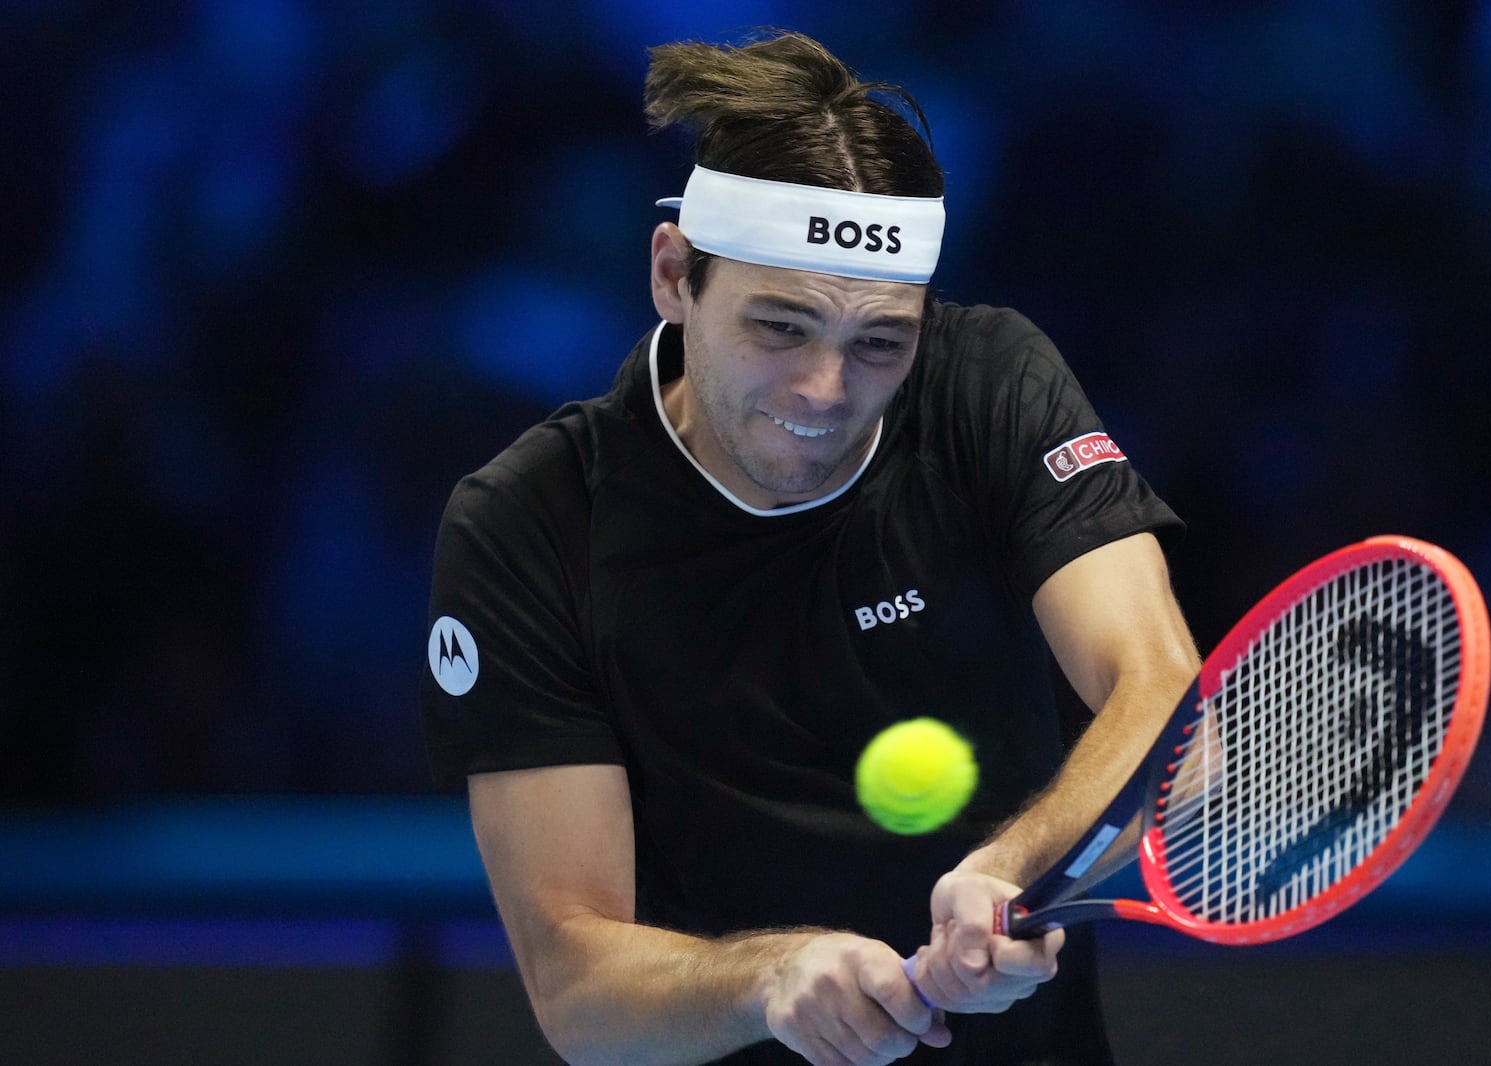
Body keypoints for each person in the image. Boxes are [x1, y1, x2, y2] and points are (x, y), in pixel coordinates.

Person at [421, 30, 1199, 1066]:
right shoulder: (530, 523)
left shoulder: (988, 383)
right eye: (779, 327)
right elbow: (576, 986)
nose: (824, 393)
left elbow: (1159, 692)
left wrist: (1009, 867)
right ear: (672, 275)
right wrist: (772, 979)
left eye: (879, 341)